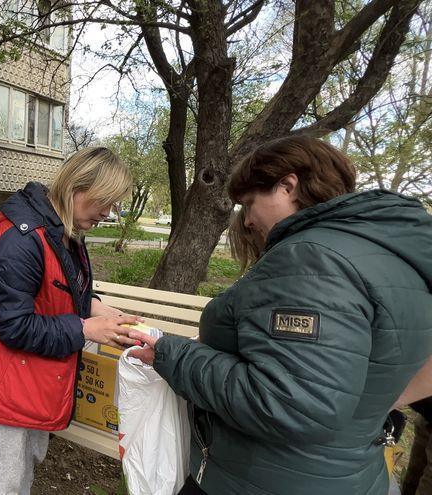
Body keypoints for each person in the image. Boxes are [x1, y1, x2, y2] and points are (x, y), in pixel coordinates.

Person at [130, 135, 432, 495]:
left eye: (249, 203)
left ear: (288, 186)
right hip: (352, 474)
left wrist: (173, 354)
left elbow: (291, 402)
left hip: (261, 477)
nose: (247, 221)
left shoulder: (309, 259)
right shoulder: (392, 257)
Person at [0, 147, 141, 494]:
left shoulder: (62, 229)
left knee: (23, 473)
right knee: (3, 484)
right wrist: (84, 328)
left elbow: (52, 289)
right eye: (104, 202)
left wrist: (92, 306)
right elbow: (13, 326)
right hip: (5, 385)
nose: (107, 214)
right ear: (78, 187)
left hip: (32, 379)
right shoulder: (23, 238)